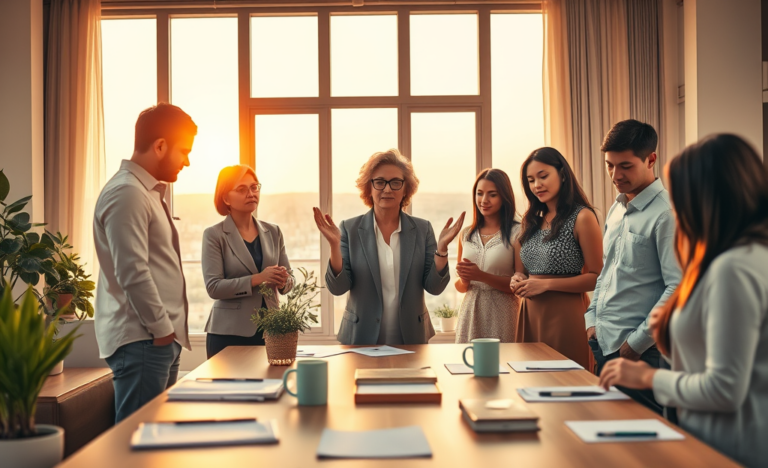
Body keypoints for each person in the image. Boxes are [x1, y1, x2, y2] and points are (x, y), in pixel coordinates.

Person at [599, 134, 768, 468]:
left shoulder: (733, 268)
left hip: (728, 448)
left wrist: (646, 377)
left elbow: (724, 388)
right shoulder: (741, 255)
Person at [93, 103, 197, 423]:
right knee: (136, 437)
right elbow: (133, 271)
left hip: (156, 340)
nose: (187, 162)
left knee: (156, 435)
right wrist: (162, 331)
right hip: (145, 340)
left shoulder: (145, 192)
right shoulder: (127, 193)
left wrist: (168, 336)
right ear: (160, 146)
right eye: (184, 151)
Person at [313, 149, 465, 345]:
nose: (387, 189)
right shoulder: (349, 229)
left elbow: (435, 288)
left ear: (405, 189)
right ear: (369, 188)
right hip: (360, 338)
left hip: (411, 338)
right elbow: (338, 288)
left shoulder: (423, 229)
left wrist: (442, 249)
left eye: (395, 182)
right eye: (379, 182)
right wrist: (334, 246)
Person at [585, 120, 681, 414]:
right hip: (604, 344)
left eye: (625, 166)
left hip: (641, 354)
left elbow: (677, 287)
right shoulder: (617, 208)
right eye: (609, 165)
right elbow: (607, 271)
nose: (615, 175)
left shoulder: (667, 214)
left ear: (651, 159)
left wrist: (635, 344)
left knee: (645, 438)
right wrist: (591, 321)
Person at [509, 147, 603, 369]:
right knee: (529, 382)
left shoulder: (582, 217)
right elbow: (522, 271)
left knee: (565, 381)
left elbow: (597, 277)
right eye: (531, 180)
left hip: (565, 315)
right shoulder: (531, 221)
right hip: (529, 315)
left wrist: (545, 284)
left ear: (562, 174)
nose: (537, 185)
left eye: (543, 176)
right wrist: (517, 278)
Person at [201, 165, 293, 359]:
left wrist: (284, 280)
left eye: (254, 187)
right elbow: (214, 287)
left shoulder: (273, 231)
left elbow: (289, 282)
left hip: (271, 331)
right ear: (226, 198)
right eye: (242, 189)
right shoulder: (214, 235)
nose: (251, 194)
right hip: (228, 333)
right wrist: (258, 278)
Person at [455, 168, 521, 343]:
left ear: (504, 197)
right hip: (470, 312)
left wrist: (481, 276)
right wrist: (465, 279)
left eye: (492, 194)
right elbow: (461, 287)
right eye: (479, 193)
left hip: (503, 313)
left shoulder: (518, 232)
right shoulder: (465, 234)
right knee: (467, 358)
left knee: (504, 358)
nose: (484, 200)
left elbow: (520, 285)